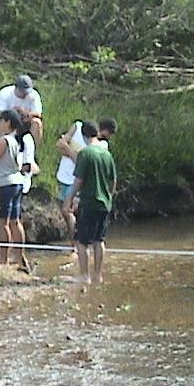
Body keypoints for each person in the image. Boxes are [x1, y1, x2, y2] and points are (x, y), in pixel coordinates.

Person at [63, 120, 118, 284]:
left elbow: (78, 181)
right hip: (104, 204)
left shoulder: (85, 154)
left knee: (81, 241)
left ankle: (84, 275)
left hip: (88, 203)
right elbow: (113, 180)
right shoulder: (106, 154)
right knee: (99, 240)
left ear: (83, 135)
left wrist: (68, 200)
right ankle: (98, 275)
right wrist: (109, 196)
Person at [0, 109, 30, 271]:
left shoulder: (3, 141)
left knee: (2, 222)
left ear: (7, 123)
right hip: (16, 182)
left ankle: (4, 257)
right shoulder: (15, 140)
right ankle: (19, 256)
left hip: (3, 184)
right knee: (15, 221)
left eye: (0, 121)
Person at [0, 74, 43, 142]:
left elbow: (38, 113)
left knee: (37, 122)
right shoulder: (5, 93)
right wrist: (14, 114)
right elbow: (1, 113)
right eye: (23, 92)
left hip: (26, 121)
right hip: (10, 121)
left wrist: (26, 113)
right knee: (3, 122)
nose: (25, 94)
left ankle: (34, 148)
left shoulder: (34, 94)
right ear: (16, 88)